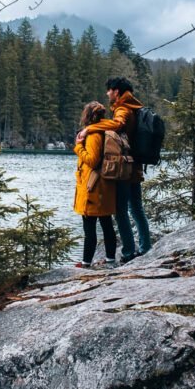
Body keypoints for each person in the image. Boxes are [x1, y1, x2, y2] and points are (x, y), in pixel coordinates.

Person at [76, 77, 152, 263]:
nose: (107, 93)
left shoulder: (124, 108)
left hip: (125, 167)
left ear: (116, 91)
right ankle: (145, 248)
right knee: (136, 208)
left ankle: (128, 253)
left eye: (109, 90)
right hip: (134, 164)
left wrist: (90, 129)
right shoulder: (134, 106)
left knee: (121, 210)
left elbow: (117, 124)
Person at [72, 101, 118, 268]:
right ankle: (111, 259)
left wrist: (78, 147)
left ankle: (86, 263)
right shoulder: (105, 130)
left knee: (89, 227)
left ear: (88, 116)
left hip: (93, 186)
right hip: (104, 185)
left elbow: (92, 160)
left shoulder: (93, 135)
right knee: (106, 224)